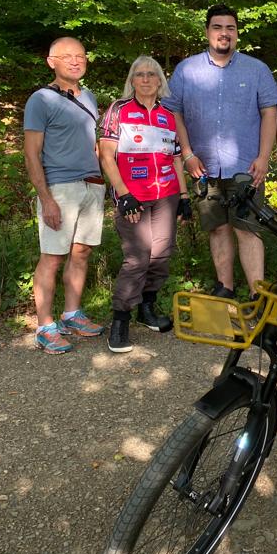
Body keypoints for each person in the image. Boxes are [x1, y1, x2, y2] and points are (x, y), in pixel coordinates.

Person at [162, 5, 277, 298]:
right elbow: (173, 113)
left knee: (248, 229)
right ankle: (225, 288)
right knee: (217, 229)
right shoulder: (186, 70)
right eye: (217, 27)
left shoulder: (257, 69)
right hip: (203, 167)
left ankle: (257, 294)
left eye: (230, 28)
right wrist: (187, 153)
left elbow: (270, 113)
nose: (224, 33)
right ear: (207, 31)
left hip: (246, 168)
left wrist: (264, 157)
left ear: (237, 33)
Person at [99, 56, 192, 353]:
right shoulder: (119, 110)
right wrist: (123, 194)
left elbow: (176, 157)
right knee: (137, 257)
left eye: (152, 74)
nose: (146, 79)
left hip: (166, 194)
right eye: (140, 74)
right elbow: (105, 154)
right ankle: (121, 318)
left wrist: (185, 196)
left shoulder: (168, 113)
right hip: (133, 196)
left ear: (160, 80)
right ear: (132, 79)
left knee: (161, 254)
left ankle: (147, 308)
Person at [23, 36, 105, 354]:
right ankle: (45, 327)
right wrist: (45, 198)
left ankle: (72, 315)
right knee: (52, 257)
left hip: (92, 185)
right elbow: (32, 153)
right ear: (51, 61)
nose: (75, 61)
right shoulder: (40, 100)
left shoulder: (91, 97)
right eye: (66, 56)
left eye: (80, 55)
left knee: (81, 252)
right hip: (60, 188)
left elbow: (93, 143)